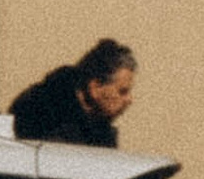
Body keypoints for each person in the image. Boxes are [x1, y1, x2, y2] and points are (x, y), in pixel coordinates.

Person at [8, 38, 136, 147]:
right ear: (95, 88)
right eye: (122, 92)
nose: (129, 100)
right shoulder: (41, 116)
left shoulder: (100, 128)